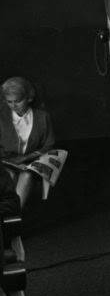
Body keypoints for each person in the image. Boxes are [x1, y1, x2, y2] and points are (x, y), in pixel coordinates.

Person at [0, 77, 56, 208]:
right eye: (9, 102)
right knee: (9, 174)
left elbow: (49, 144)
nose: (13, 106)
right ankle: (9, 214)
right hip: (5, 161)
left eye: (18, 101)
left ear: (29, 98)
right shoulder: (1, 118)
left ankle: (12, 213)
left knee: (27, 175)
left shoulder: (42, 117)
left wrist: (25, 158)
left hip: (32, 162)